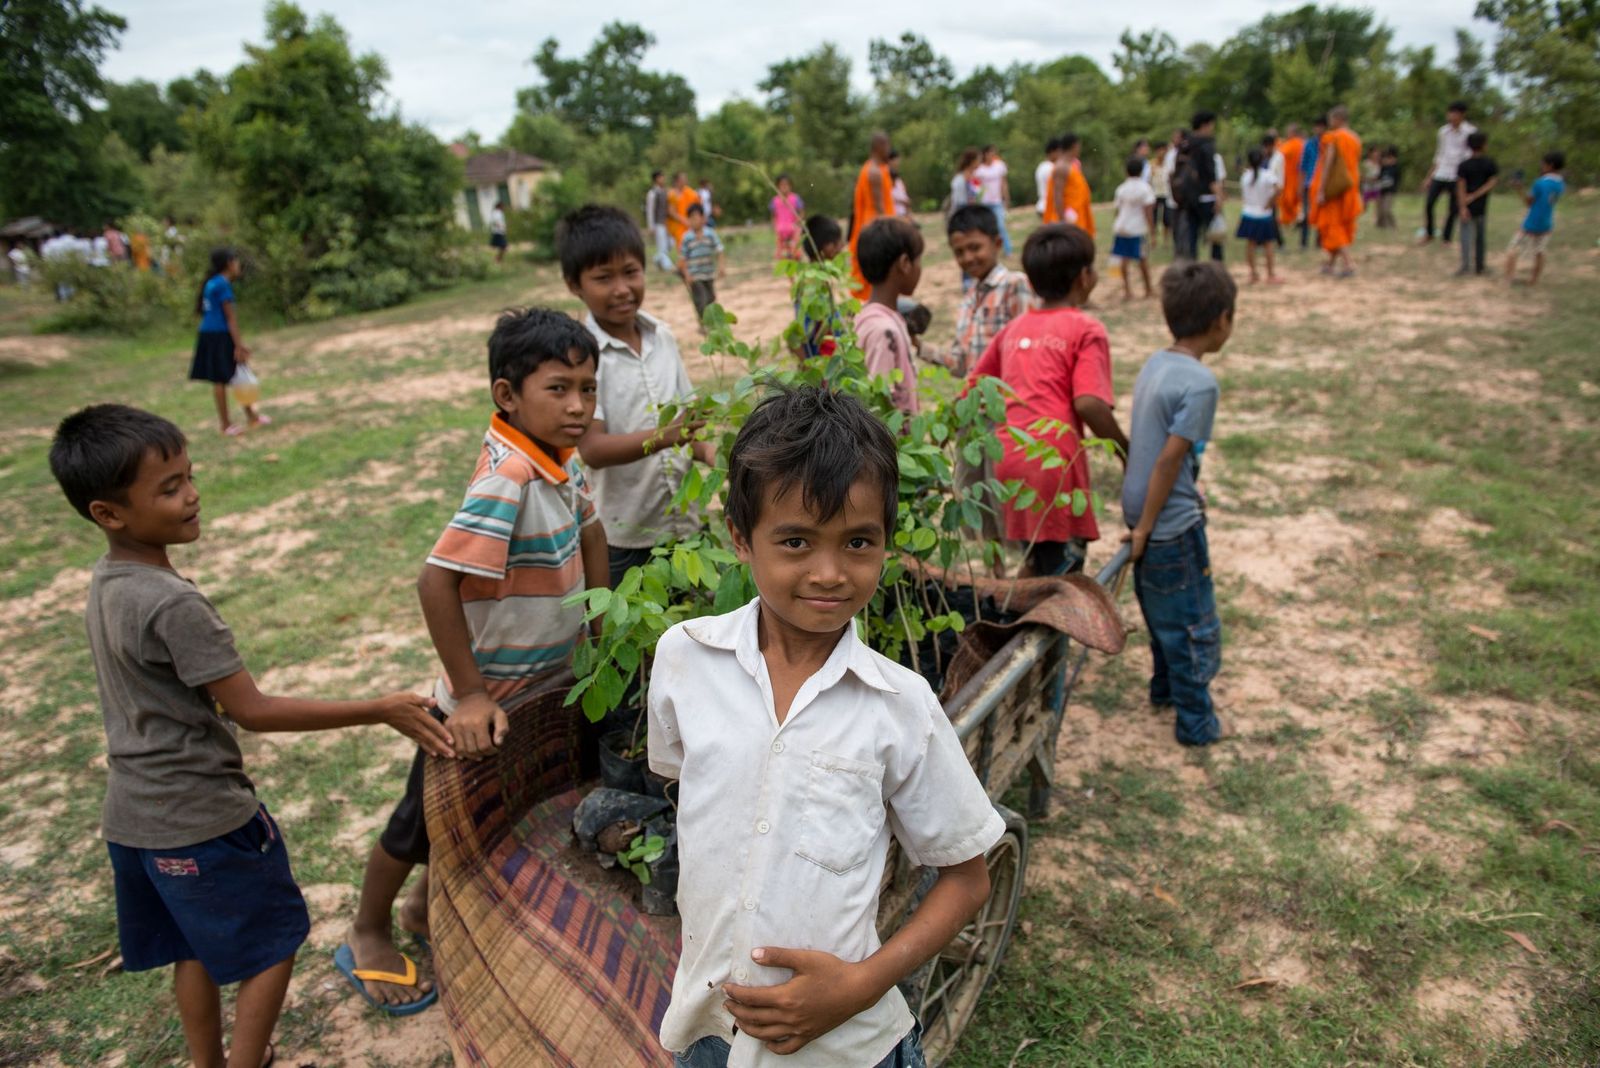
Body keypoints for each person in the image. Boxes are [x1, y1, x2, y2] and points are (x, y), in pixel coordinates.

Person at [48, 404, 452, 1066]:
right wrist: (376, 707)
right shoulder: (173, 604)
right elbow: (253, 710)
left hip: (133, 816)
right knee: (275, 941)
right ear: (109, 514)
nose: (192, 495)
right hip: (202, 818)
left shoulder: (108, 580)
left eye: (189, 475)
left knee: (191, 946)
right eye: (170, 487)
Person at [648, 385, 1002, 1068]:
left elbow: (967, 878)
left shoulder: (900, 705)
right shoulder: (685, 659)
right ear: (739, 538)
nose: (830, 572)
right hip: (706, 1027)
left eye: (858, 542)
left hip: (847, 1047)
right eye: (796, 541)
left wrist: (860, 986)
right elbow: (685, 777)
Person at [343, 309, 609, 1015]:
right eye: (559, 388)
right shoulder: (509, 477)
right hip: (486, 697)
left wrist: (603, 622)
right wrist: (468, 694)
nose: (579, 405)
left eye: (588, 387)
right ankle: (368, 929)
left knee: (484, 814)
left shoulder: (561, 459)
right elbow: (435, 582)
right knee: (417, 819)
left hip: (538, 689)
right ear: (507, 395)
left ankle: (424, 912)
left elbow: (593, 533)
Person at [561, 205, 713, 586]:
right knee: (643, 641)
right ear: (574, 285)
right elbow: (593, 449)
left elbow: (689, 425)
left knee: (692, 633)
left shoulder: (662, 336)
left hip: (687, 525)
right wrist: (669, 436)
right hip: (627, 539)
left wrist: (720, 456)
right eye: (603, 278)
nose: (622, 289)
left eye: (631, 272)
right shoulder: (582, 357)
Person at [968, 224, 1128, 577]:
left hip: (1009, 464)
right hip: (1053, 466)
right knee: (1061, 584)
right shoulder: (1086, 329)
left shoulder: (1013, 330)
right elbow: (1089, 403)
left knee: (1036, 567)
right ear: (1084, 277)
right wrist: (1124, 451)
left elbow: (972, 390)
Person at [1121, 260, 1234, 747]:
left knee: (1160, 613)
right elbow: (1168, 460)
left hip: (1144, 513)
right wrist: (1147, 528)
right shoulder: (1201, 382)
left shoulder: (1156, 362)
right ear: (1221, 321)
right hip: (1168, 524)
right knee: (1191, 621)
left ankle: (1163, 689)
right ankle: (1196, 722)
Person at [942, 204, 1034, 575]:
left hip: (1005, 413)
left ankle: (1030, 569)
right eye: (960, 252)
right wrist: (922, 349)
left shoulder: (1015, 286)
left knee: (1008, 492)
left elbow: (1029, 343)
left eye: (975, 248)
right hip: (971, 413)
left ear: (997, 242)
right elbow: (961, 360)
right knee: (973, 492)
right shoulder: (969, 299)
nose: (968, 258)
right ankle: (995, 571)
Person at [190, 249, 267, 437]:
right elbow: (230, 318)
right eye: (237, 262)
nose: (238, 266)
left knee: (235, 374)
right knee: (221, 379)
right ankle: (226, 425)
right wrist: (238, 345)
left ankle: (252, 416)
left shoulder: (212, 282)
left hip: (208, 333)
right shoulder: (223, 285)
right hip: (219, 335)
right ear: (229, 264)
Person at [853, 217, 924, 415]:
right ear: (904, 263)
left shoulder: (867, 315)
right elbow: (880, 406)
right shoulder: (884, 331)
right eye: (919, 260)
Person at [1310, 106, 1362, 278]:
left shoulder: (1333, 138)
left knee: (1333, 225)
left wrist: (1321, 189)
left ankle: (1349, 263)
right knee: (1339, 224)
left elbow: (1328, 164)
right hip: (1350, 186)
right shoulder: (1355, 138)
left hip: (1334, 189)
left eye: (1331, 119)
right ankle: (1330, 264)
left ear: (1338, 119)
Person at [1504, 150, 1566, 286]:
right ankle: (1534, 280)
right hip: (1547, 224)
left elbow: (1529, 202)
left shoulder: (1540, 183)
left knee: (1512, 248)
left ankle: (1508, 278)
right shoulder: (1561, 183)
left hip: (1532, 223)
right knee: (1539, 252)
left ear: (1550, 165)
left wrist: (1519, 188)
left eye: (1543, 164)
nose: (1541, 166)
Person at [1420, 102, 1475, 245]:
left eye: (1454, 113)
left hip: (1457, 174)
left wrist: (1466, 177)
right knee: (1429, 204)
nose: (1451, 116)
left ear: (1462, 115)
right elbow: (1439, 155)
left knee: (1453, 208)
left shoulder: (1470, 132)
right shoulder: (1443, 131)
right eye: (1450, 113)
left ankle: (1447, 237)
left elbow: (1469, 155)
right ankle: (1429, 233)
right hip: (1441, 171)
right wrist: (1429, 176)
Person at [848, 132, 896, 297]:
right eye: (887, 146)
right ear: (879, 147)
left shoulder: (878, 168)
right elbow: (880, 209)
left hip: (870, 226)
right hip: (874, 226)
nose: (889, 150)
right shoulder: (874, 172)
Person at [794, 214, 847, 360]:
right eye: (839, 242)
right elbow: (795, 339)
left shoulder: (821, 279)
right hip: (821, 366)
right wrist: (808, 369)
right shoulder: (810, 285)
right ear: (828, 248)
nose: (842, 246)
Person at [1172, 112, 1223, 261]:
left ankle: (1192, 267)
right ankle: (1216, 268)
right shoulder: (1206, 144)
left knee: (1192, 236)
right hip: (1206, 197)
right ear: (1205, 125)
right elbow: (1210, 174)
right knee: (1215, 236)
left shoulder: (1184, 144)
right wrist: (1218, 197)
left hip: (1188, 197)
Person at [1110, 157, 1157, 300]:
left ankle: (1127, 290)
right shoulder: (1145, 188)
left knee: (1124, 259)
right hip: (1137, 229)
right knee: (1142, 259)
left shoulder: (1121, 188)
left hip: (1122, 227)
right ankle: (1148, 289)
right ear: (1142, 171)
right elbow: (1148, 212)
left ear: (1126, 171)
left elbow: (1117, 210)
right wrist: (1153, 232)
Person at [1237, 146, 1283, 284]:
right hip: (1264, 215)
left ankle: (1253, 273)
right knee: (1268, 245)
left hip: (1249, 214)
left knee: (1250, 244)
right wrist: (1270, 202)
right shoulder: (1267, 175)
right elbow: (1279, 188)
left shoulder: (1245, 176)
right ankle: (1270, 274)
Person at [1454, 131, 1498, 277]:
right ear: (1484, 145)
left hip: (1467, 204)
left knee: (1466, 237)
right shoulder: (1489, 163)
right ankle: (1479, 267)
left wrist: (1463, 205)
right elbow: (1491, 183)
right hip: (1481, 206)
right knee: (1479, 237)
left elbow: (1461, 187)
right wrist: (1475, 196)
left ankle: (1466, 266)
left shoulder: (1464, 165)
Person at [678, 202, 726, 332]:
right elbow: (682, 257)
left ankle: (709, 323)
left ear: (703, 218)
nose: (694, 221)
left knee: (711, 298)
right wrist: (686, 274)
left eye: (697, 217)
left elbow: (719, 250)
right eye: (691, 218)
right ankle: (704, 324)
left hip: (708, 273)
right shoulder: (687, 237)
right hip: (695, 275)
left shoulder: (710, 234)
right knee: (701, 299)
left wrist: (721, 267)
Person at [1044, 133, 1093, 238]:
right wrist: (1063, 222)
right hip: (1068, 219)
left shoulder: (1071, 166)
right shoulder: (1061, 167)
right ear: (1074, 146)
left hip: (1077, 215)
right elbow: (1057, 196)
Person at [975, 144, 1013, 254]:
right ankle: (989, 250)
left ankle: (1008, 250)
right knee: (986, 228)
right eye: (990, 153)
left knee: (1000, 226)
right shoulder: (979, 169)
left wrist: (1006, 198)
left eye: (994, 152)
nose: (993, 155)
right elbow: (975, 186)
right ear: (985, 154)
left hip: (996, 201)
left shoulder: (999, 166)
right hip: (984, 202)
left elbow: (1004, 183)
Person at [1298, 116, 1326, 249]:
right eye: (1316, 126)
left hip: (1323, 184)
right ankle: (1304, 242)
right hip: (1309, 184)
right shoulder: (1309, 144)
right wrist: (1300, 185)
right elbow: (1303, 166)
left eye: (1321, 126)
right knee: (1306, 213)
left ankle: (1319, 242)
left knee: (1322, 214)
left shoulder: (1329, 143)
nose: (1318, 129)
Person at [1276, 124, 1305, 240]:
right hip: (1299, 176)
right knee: (1297, 200)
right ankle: (1297, 218)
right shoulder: (1303, 144)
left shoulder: (1292, 144)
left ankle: (1294, 218)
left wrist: (1278, 144)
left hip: (1290, 177)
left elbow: (1279, 154)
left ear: (1293, 133)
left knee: (1288, 200)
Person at [770, 174, 805, 261]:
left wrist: (797, 224)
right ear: (778, 186)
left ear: (790, 186)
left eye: (786, 185)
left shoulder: (795, 198)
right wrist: (775, 227)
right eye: (782, 185)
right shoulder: (775, 201)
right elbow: (773, 216)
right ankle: (790, 275)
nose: (784, 187)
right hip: (781, 234)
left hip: (794, 232)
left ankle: (796, 272)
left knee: (795, 254)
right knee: (784, 257)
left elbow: (802, 213)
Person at [646, 171, 675, 272]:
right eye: (661, 177)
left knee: (671, 243)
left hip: (667, 223)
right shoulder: (652, 193)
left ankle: (657, 259)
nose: (663, 179)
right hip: (658, 223)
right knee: (662, 246)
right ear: (656, 179)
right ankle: (668, 266)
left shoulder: (665, 192)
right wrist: (651, 226)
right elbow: (650, 210)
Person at [667, 172, 700, 253]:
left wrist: (693, 220)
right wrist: (684, 220)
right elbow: (671, 212)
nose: (685, 181)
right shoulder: (672, 194)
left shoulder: (690, 192)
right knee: (682, 246)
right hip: (678, 225)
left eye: (685, 179)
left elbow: (697, 205)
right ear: (677, 181)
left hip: (691, 222)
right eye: (682, 179)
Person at [1150, 144, 1173, 245]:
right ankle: (1153, 238)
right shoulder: (1152, 164)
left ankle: (1166, 240)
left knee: (1166, 218)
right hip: (1155, 194)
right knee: (1154, 218)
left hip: (1166, 193)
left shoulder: (1169, 164)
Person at [1035, 138, 1062, 216]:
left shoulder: (1041, 166)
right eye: (1059, 152)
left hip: (1041, 205)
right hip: (1049, 207)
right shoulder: (1051, 168)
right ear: (1052, 152)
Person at [1376, 147, 1401, 229]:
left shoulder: (1395, 168)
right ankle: (1381, 226)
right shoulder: (1383, 168)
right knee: (1380, 210)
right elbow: (1379, 178)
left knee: (1387, 209)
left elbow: (1397, 180)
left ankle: (1392, 225)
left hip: (1390, 191)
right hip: (1382, 190)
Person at [888, 152, 912, 217]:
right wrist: (901, 201)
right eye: (896, 160)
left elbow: (905, 197)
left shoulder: (898, 180)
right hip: (893, 214)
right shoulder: (885, 177)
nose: (898, 163)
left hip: (903, 213)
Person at [488, 200, 508, 264]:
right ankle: (497, 259)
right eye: (503, 206)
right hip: (499, 232)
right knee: (503, 247)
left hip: (497, 232)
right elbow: (496, 222)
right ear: (500, 206)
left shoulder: (495, 212)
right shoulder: (498, 213)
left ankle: (496, 259)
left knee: (496, 246)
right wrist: (502, 228)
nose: (504, 208)